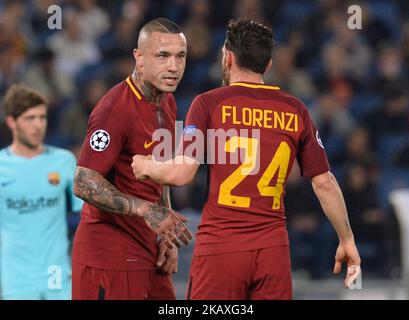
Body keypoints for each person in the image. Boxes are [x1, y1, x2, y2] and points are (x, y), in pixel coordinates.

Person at [132, 18, 361, 300]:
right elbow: (324, 183)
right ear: (268, 65)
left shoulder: (208, 103)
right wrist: (347, 239)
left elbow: (181, 174)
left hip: (221, 249)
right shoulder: (295, 109)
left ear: (227, 58)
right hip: (273, 251)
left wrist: (146, 165)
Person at [71, 17, 192, 300]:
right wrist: (146, 210)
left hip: (147, 250)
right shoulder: (115, 108)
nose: (173, 66)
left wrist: (167, 236)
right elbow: (82, 181)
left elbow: (158, 172)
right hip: (110, 256)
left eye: (180, 56)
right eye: (162, 56)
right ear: (138, 58)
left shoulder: (167, 101)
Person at [0, 83, 83, 300]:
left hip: (57, 275)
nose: (38, 125)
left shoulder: (63, 161)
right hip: (13, 279)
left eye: (42, 117)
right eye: (30, 118)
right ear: (12, 122)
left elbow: (86, 215)